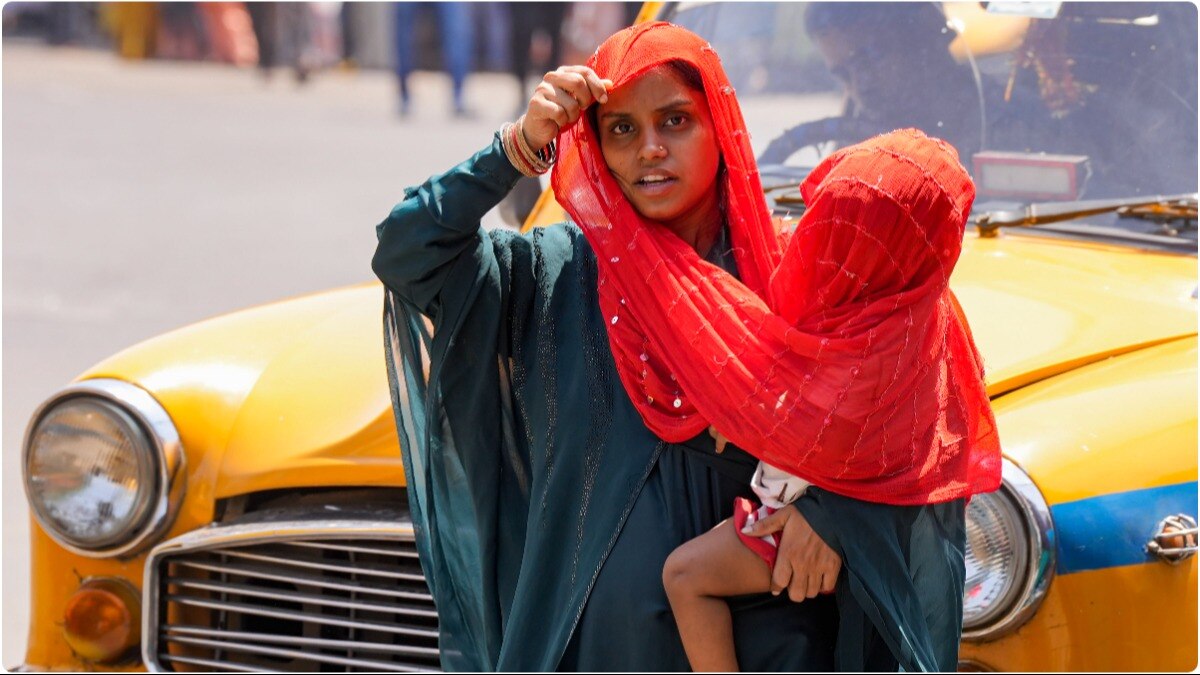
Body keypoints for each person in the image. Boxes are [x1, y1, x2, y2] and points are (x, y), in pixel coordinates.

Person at [373, 21, 1001, 672]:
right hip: (595, 648)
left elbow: (920, 401)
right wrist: (518, 145)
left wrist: (833, 515)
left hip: (773, 649)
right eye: (620, 129)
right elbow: (407, 249)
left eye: (674, 121)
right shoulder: (551, 275)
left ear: (720, 127)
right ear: (592, 145)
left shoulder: (790, 272)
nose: (649, 149)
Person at [660, 127, 997, 671]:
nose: (821, 242)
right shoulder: (920, 315)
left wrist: (730, 411)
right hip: (874, 533)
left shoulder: (855, 344)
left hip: (807, 519)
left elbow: (803, 426)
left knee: (684, 575)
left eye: (841, 232)